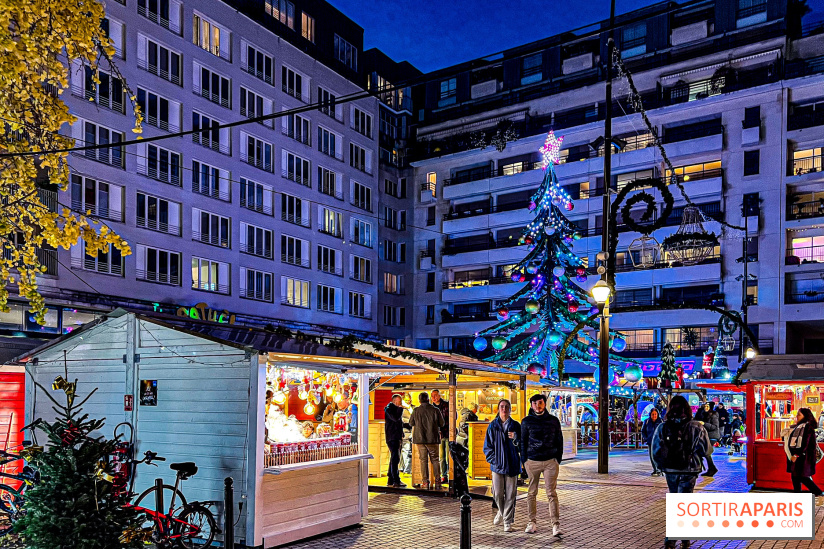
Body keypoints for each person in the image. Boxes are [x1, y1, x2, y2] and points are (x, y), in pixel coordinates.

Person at [652, 395, 712, 549]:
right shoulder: (697, 427)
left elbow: (656, 451)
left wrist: (661, 466)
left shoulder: (662, 427)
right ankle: (680, 538)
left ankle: (675, 539)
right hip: (689, 469)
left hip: (671, 469)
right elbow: (706, 449)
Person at [521, 394, 563, 537]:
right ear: (531, 405)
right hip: (532, 461)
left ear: (545, 404)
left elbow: (559, 439)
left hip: (550, 461)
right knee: (532, 493)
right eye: (534, 403)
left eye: (540, 403)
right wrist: (524, 461)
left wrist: (558, 459)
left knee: (551, 493)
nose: (537, 406)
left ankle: (555, 525)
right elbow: (523, 441)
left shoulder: (553, 421)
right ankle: (531, 522)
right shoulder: (526, 421)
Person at [483, 399, 521, 533]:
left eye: (507, 407)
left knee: (510, 494)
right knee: (497, 493)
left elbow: (522, 445)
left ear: (510, 410)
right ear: (498, 409)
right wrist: (494, 460)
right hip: (497, 466)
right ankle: (501, 511)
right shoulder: (492, 426)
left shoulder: (516, 426)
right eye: (502, 407)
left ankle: (507, 522)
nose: (504, 409)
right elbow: (487, 447)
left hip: (512, 464)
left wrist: (516, 438)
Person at [784, 408, 824, 502]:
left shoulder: (807, 427)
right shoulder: (799, 426)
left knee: (802, 476)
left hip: (803, 457)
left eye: (799, 415)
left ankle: (818, 492)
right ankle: (798, 496)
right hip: (799, 456)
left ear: (805, 416)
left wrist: (796, 454)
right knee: (795, 476)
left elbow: (804, 443)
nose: (797, 417)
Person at [408, 392, 444, 490]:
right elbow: (442, 423)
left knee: (423, 461)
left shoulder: (416, 411)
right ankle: (437, 481)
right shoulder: (435, 410)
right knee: (435, 460)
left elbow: (411, 423)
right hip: (433, 439)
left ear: (419, 400)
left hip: (419, 439)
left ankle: (425, 482)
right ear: (428, 399)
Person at [384, 394, 406, 488]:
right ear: (394, 401)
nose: (400, 404)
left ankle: (390, 479)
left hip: (395, 436)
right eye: (398, 401)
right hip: (392, 437)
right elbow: (395, 418)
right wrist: (400, 409)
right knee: (395, 458)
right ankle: (396, 480)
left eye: (400, 402)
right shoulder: (389, 409)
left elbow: (397, 422)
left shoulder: (391, 409)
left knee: (394, 457)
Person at [431, 389, 450, 483]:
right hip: (439, 436)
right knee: (441, 457)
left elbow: (453, 417)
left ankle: (452, 475)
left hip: (448, 433)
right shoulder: (432, 408)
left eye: (435, 395)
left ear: (439, 395)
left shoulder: (446, 405)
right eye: (432, 396)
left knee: (449, 456)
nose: (434, 398)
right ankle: (444, 475)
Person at [642, 408, 664, 476]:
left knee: (658, 456)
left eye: (655, 414)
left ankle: (659, 470)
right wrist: (645, 438)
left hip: (659, 442)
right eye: (652, 414)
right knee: (652, 456)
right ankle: (655, 469)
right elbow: (643, 431)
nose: (654, 416)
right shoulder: (647, 422)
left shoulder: (661, 421)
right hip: (650, 441)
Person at [400, 394, 414, 474]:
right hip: (405, 433)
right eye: (406, 400)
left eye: (409, 400)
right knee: (406, 450)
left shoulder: (411, 408)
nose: (408, 402)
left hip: (409, 433)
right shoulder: (403, 410)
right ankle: (407, 469)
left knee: (406, 451)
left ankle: (404, 468)